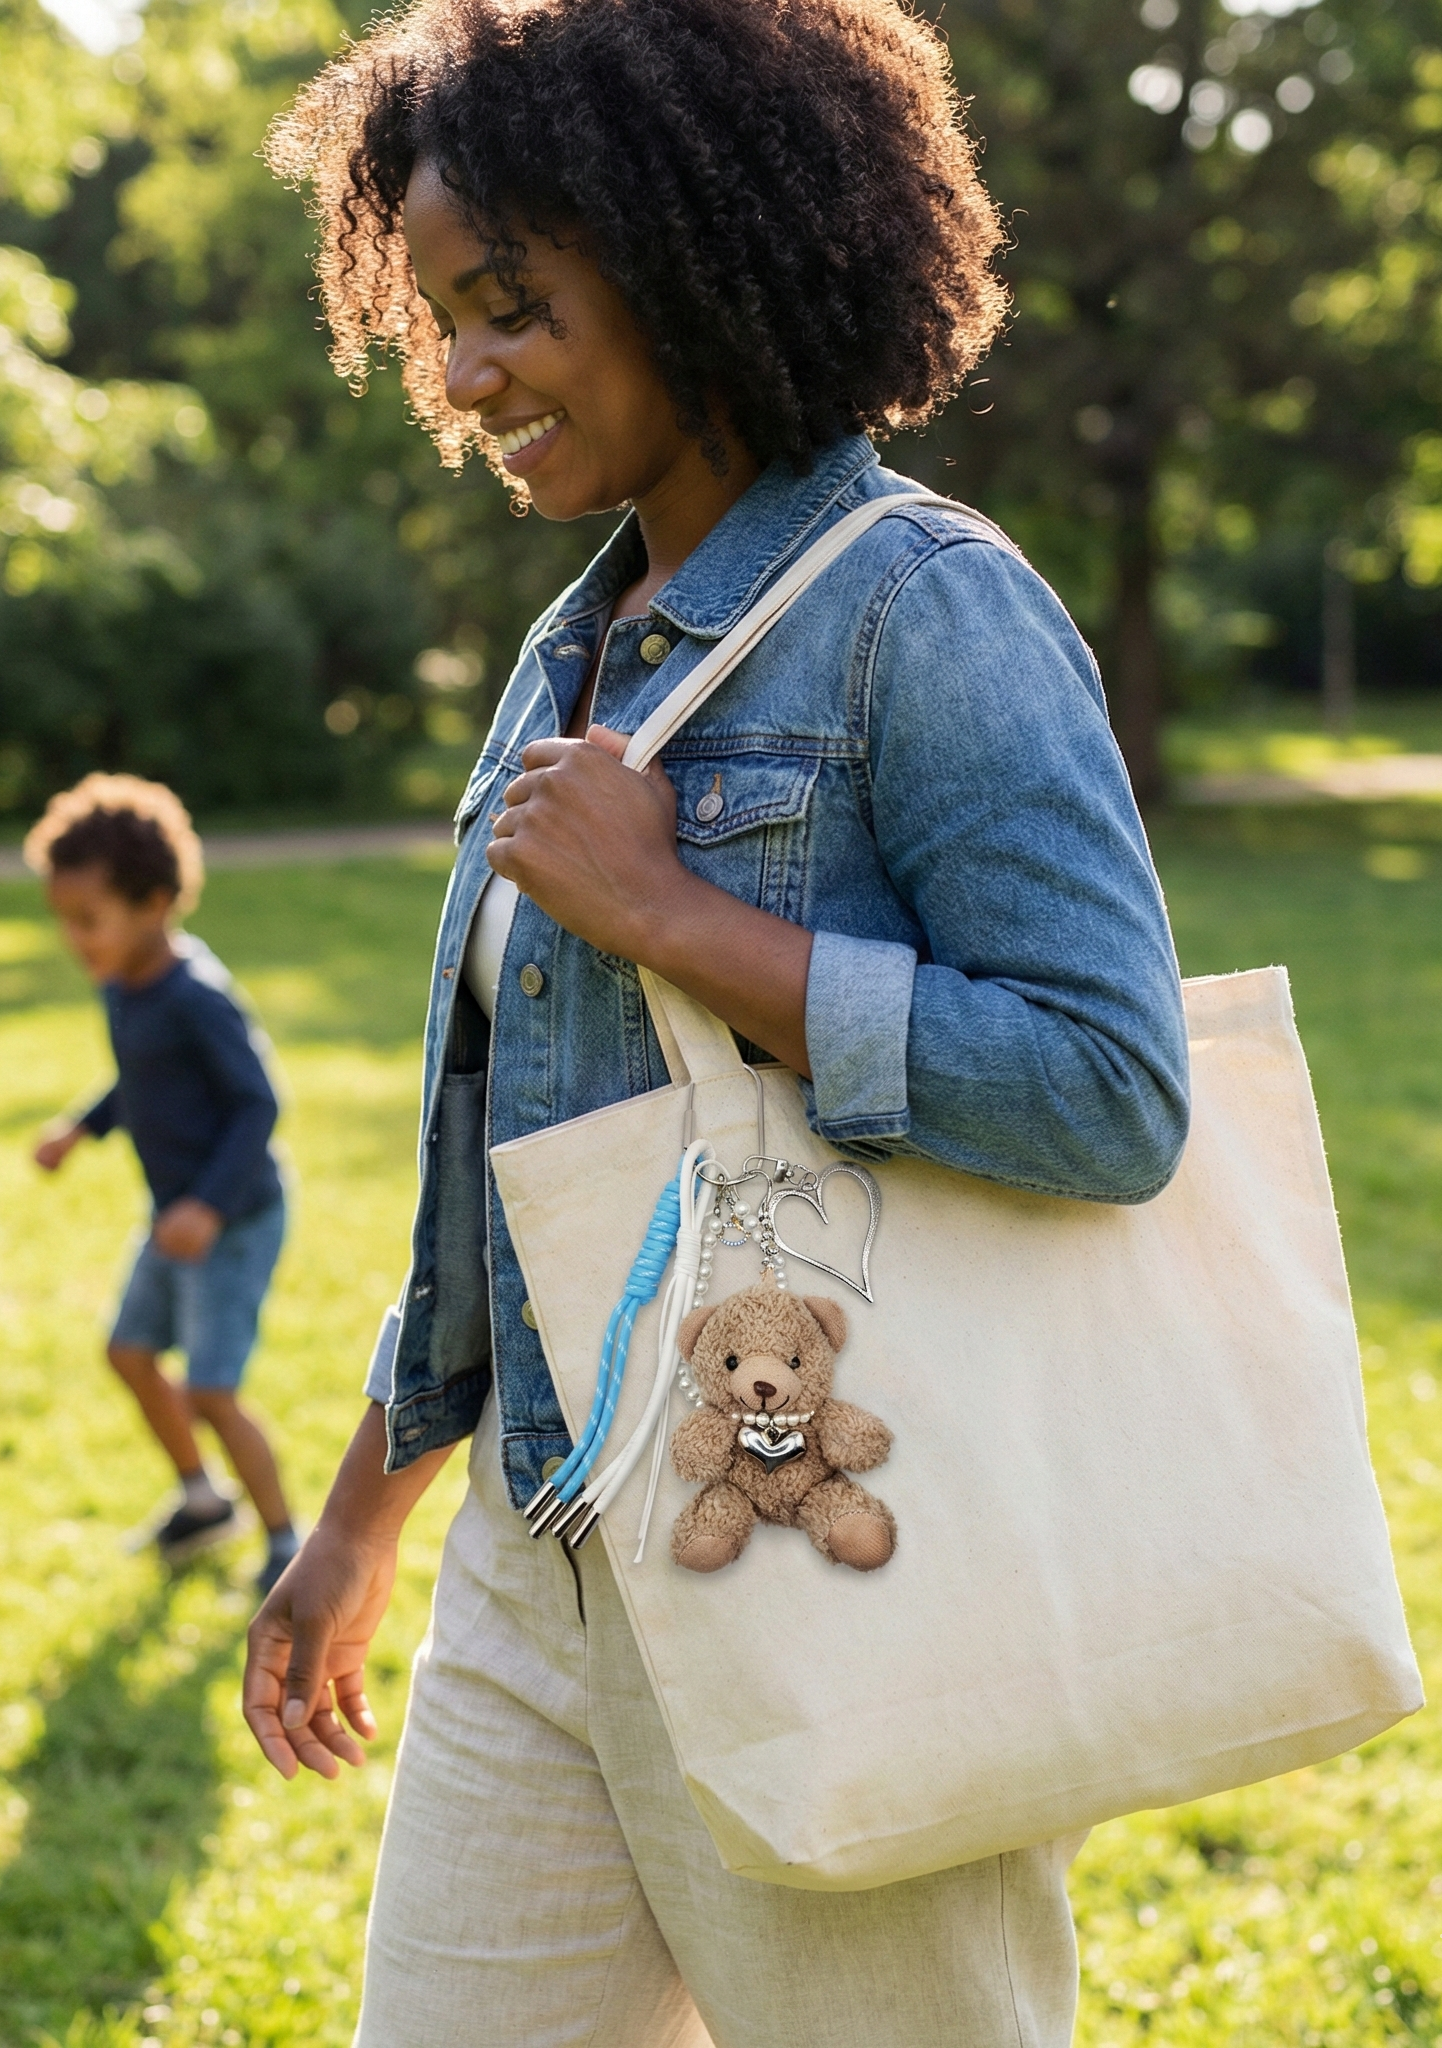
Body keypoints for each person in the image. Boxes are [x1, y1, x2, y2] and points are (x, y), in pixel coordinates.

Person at [247, 2, 1192, 2044]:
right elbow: (516, 1164)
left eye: (513, 302)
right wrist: (358, 1515)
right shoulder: (566, 652)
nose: (468, 369)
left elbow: (1113, 1089)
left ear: (683, 254)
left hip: (834, 1551)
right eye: (440, 317)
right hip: (541, 1550)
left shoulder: (921, 605)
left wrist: (678, 918)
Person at [27, 773, 298, 1595]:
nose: (76, 939)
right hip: (172, 1215)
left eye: (89, 920)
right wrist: (85, 1124)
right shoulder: (123, 983)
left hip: (235, 1214)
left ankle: (288, 1543)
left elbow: (258, 1104)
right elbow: (141, 1080)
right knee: (131, 1352)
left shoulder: (195, 998)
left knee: (214, 1388)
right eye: (64, 921)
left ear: (154, 902)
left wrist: (207, 1207)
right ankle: (201, 1499)